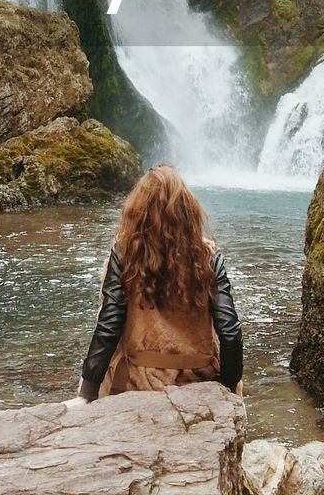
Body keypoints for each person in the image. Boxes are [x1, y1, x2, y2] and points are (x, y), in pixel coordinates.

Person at [75, 164, 243, 401]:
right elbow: (230, 331)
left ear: (137, 213)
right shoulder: (208, 257)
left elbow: (109, 324)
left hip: (137, 383)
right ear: (188, 213)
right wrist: (227, 385)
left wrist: (88, 390)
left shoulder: (124, 254)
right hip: (197, 378)